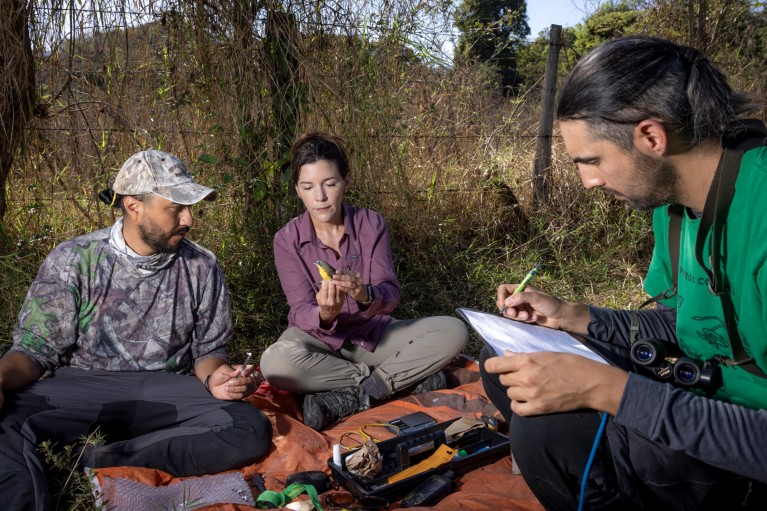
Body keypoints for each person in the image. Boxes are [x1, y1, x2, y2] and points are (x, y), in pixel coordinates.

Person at [481, 36, 767, 510]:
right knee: (506, 361)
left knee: (546, 430)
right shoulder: (673, 200)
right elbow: (691, 324)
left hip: (745, 438)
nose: (588, 182)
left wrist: (609, 390)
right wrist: (572, 317)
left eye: (591, 161)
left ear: (651, 137)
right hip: (703, 384)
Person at [0, 149, 272, 511]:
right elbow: (34, 352)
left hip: (169, 391)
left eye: (190, 208)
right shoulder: (74, 259)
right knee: (5, 422)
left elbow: (209, 353)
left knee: (250, 428)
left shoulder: (201, 265)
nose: (189, 218)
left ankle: (100, 457)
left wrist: (217, 378)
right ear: (133, 206)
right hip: (85, 388)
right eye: (176, 208)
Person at [261, 132, 468, 431]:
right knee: (275, 364)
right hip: (315, 340)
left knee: (453, 329)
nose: (319, 197)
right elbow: (299, 310)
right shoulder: (286, 239)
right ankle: (392, 382)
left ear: (346, 181)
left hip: (370, 337)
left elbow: (390, 294)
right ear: (297, 190)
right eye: (308, 187)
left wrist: (365, 294)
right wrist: (325, 313)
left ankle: (356, 395)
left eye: (329, 184)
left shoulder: (371, 223)